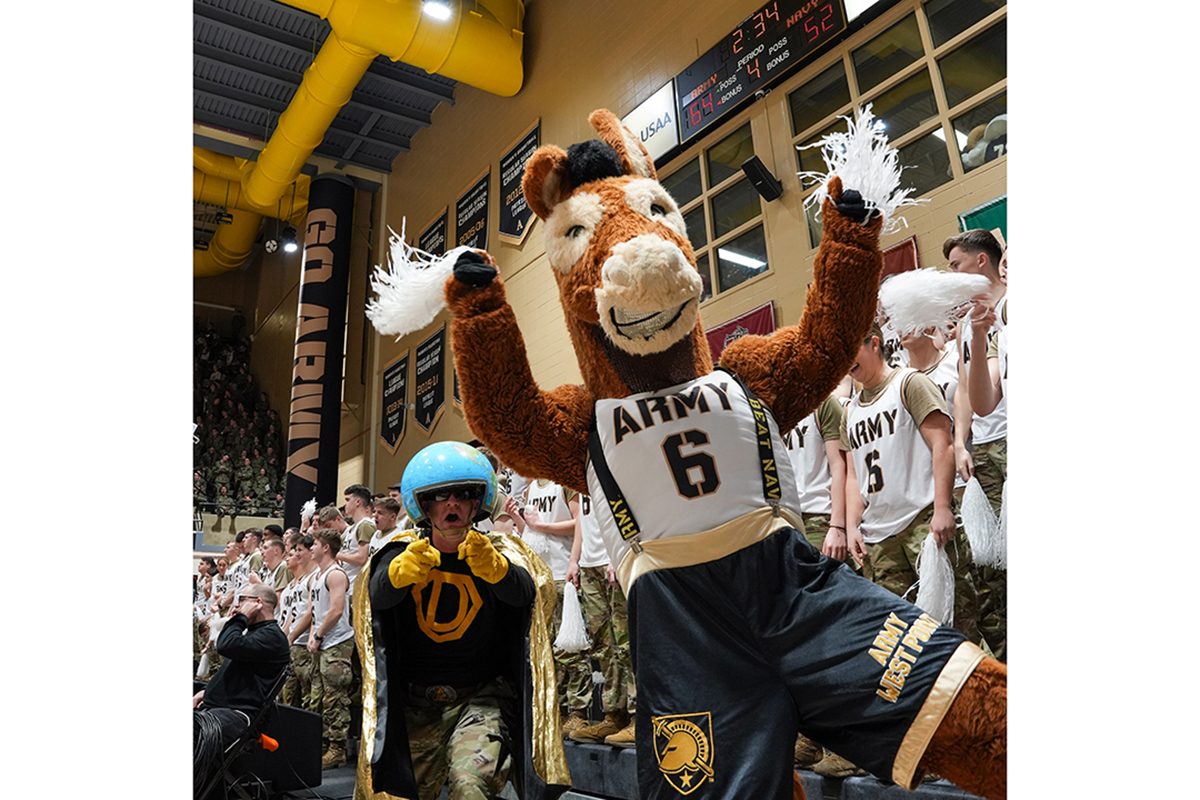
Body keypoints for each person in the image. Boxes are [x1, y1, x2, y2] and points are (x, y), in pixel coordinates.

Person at [359, 441, 569, 799]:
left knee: (470, 787)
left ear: (477, 503)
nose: (452, 504)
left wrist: (497, 570)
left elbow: (524, 596)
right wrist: (397, 574)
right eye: (441, 496)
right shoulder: (400, 553)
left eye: (463, 494)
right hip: (416, 706)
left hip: (480, 700)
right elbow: (376, 596)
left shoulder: (500, 553)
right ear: (424, 505)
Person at [842, 323, 980, 643]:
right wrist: (852, 527)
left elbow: (942, 446)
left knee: (958, 626)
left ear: (874, 343)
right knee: (908, 640)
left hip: (923, 522)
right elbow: (852, 475)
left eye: (852, 350)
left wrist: (943, 507)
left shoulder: (909, 383)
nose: (846, 361)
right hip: (880, 537)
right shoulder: (848, 409)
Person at [945, 230, 1007, 661]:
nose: (952, 276)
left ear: (982, 261)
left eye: (956, 266)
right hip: (986, 445)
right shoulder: (972, 323)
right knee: (994, 564)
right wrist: (961, 441)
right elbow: (970, 392)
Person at [193, 584, 290, 789]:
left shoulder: (272, 636)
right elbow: (232, 671)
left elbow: (225, 645)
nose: (236, 606)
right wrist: (206, 693)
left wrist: (239, 619)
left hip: (238, 715)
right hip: (219, 709)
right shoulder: (253, 633)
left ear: (257, 603)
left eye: (242, 600)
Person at [564, 493, 637, 747]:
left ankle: (639, 715)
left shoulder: (607, 460)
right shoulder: (579, 472)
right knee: (603, 647)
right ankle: (613, 715)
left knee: (626, 643)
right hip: (590, 564)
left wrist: (619, 554)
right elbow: (582, 521)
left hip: (614, 560)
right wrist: (574, 560)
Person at [521, 478, 589, 736]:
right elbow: (533, 533)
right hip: (539, 577)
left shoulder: (563, 483)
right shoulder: (530, 488)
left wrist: (543, 525)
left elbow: (579, 522)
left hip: (563, 572)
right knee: (546, 650)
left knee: (569, 648)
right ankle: (556, 710)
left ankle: (578, 712)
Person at [307, 527, 356, 768]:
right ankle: (324, 743)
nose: (311, 547)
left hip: (336, 643)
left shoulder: (336, 574)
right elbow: (313, 611)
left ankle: (338, 749)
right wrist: (312, 635)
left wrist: (318, 634)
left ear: (326, 547)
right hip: (321, 641)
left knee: (335, 698)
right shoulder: (316, 575)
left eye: (314, 544)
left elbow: (336, 610)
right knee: (319, 697)